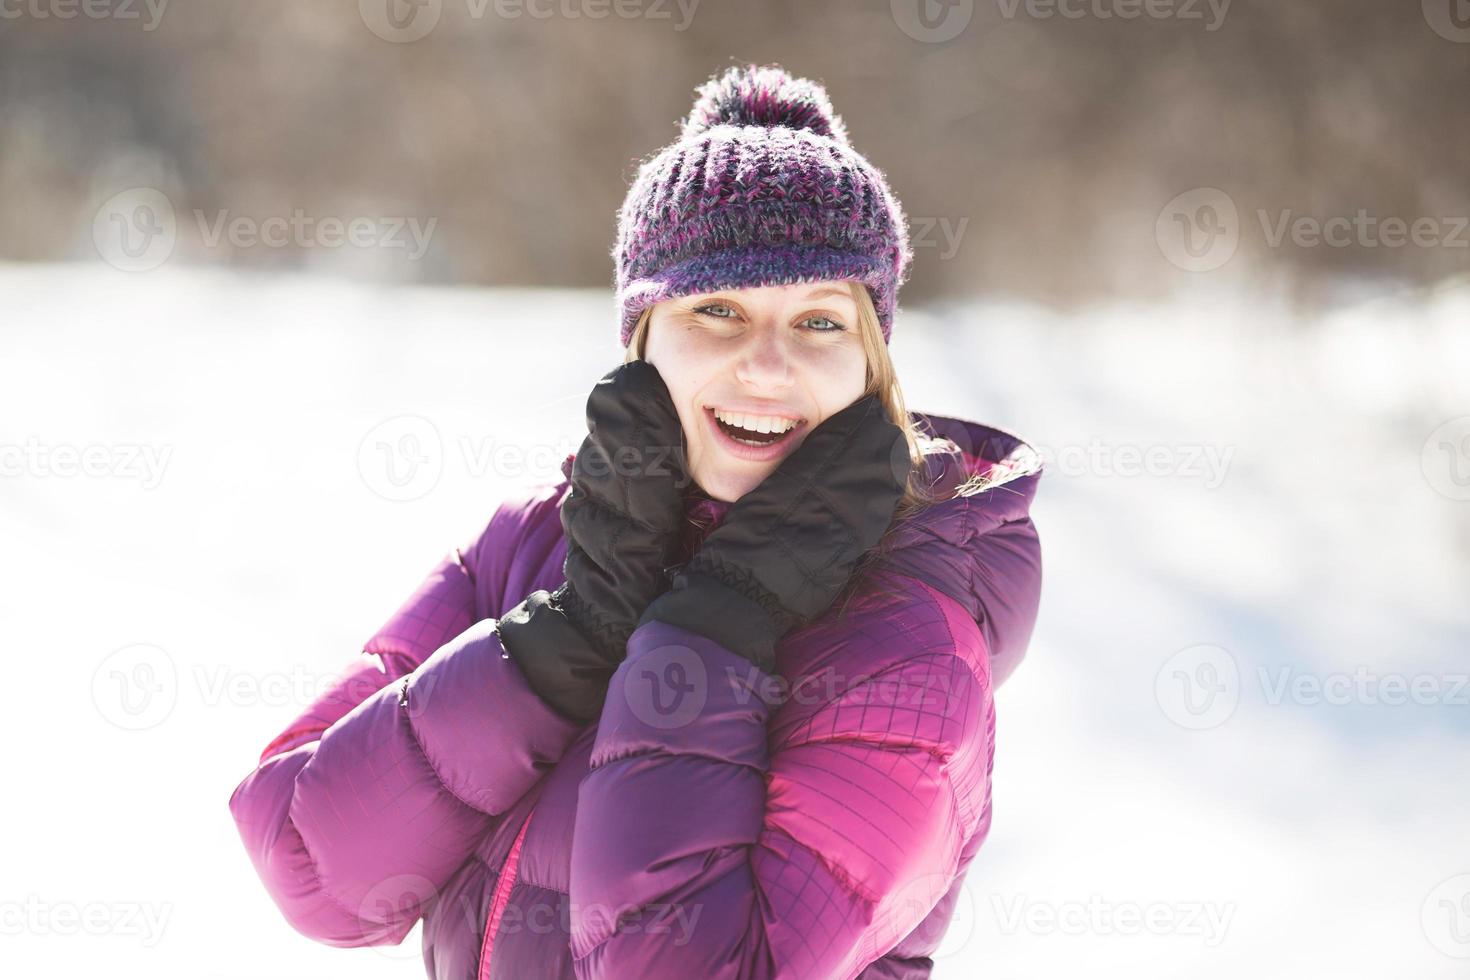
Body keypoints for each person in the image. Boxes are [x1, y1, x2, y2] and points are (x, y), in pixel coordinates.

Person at [228, 63, 1044, 980]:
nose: (768, 366)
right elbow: (307, 866)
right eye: (719, 309)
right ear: (641, 337)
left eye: (820, 322)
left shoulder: (908, 642)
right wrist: (563, 644)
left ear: (871, 363)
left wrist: (708, 636)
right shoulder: (536, 540)